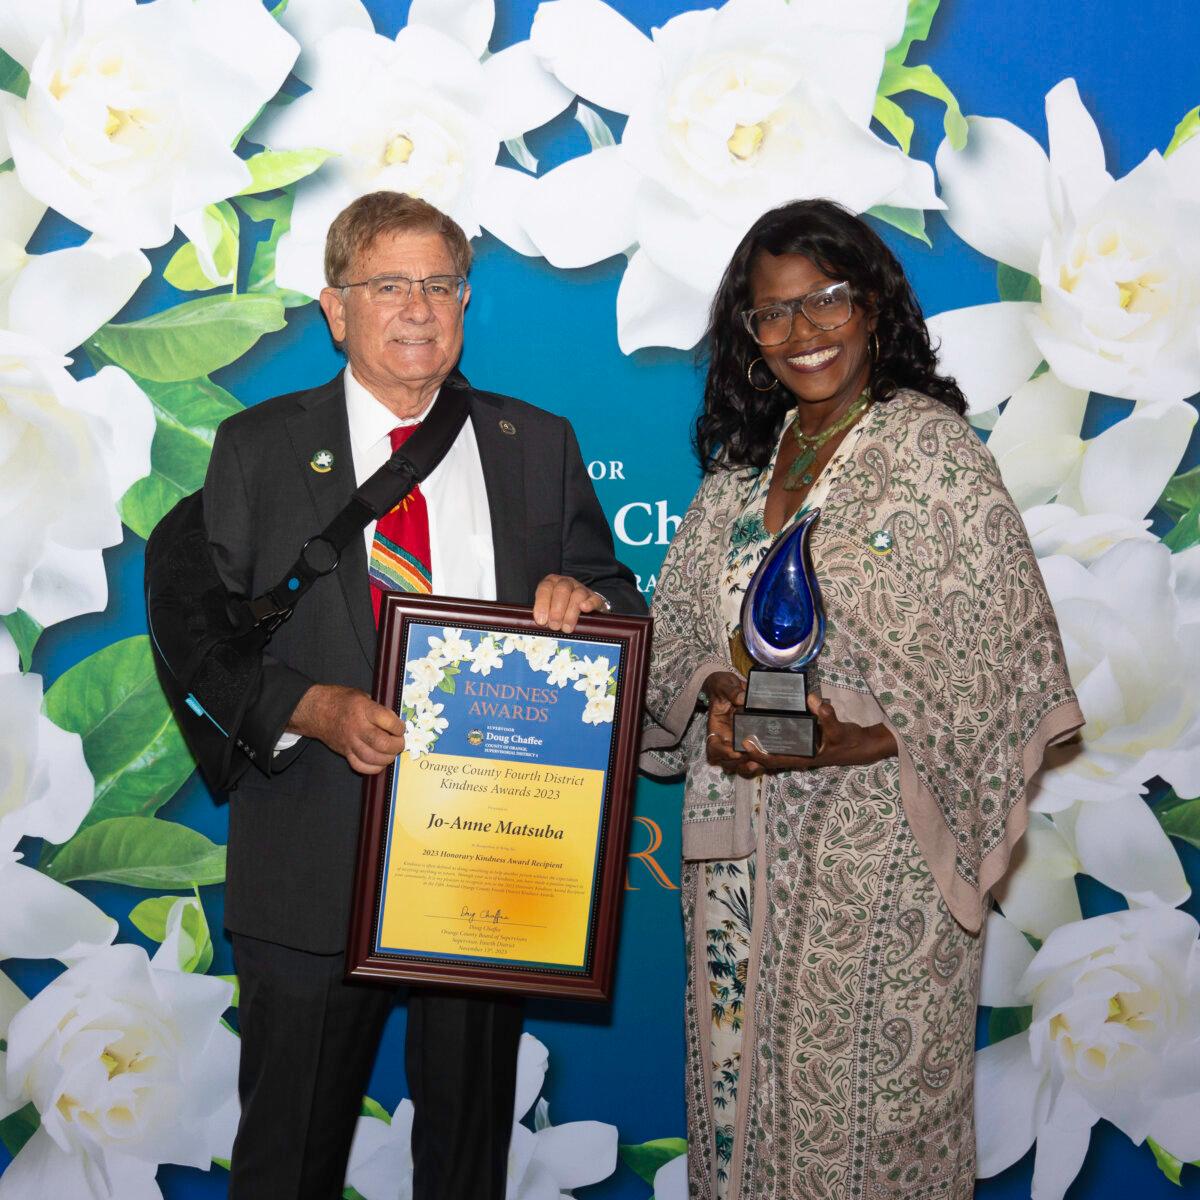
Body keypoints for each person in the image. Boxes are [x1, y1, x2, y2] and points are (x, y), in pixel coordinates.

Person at [195, 190, 644, 1199]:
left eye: (440, 285)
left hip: (487, 869)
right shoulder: (257, 450)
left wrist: (585, 599)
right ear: (335, 308)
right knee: (286, 1163)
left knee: (466, 1159)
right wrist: (309, 709)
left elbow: (615, 600)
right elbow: (203, 651)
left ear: (466, 304)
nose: (417, 308)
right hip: (310, 855)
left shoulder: (537, 442)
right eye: (388, 284)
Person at [641, 199, 1083, 1200]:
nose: (804, 333)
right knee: (735, 1116)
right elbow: (678, 644)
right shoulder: (737, 477)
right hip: (735, 868)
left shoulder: (934, 458)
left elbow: (999, 669)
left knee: (866, 1133)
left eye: (825, 301)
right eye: (774, 314)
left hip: (876, 861)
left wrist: (851, 742)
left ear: (873, 304)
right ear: (748, 336)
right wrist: (716, 691)